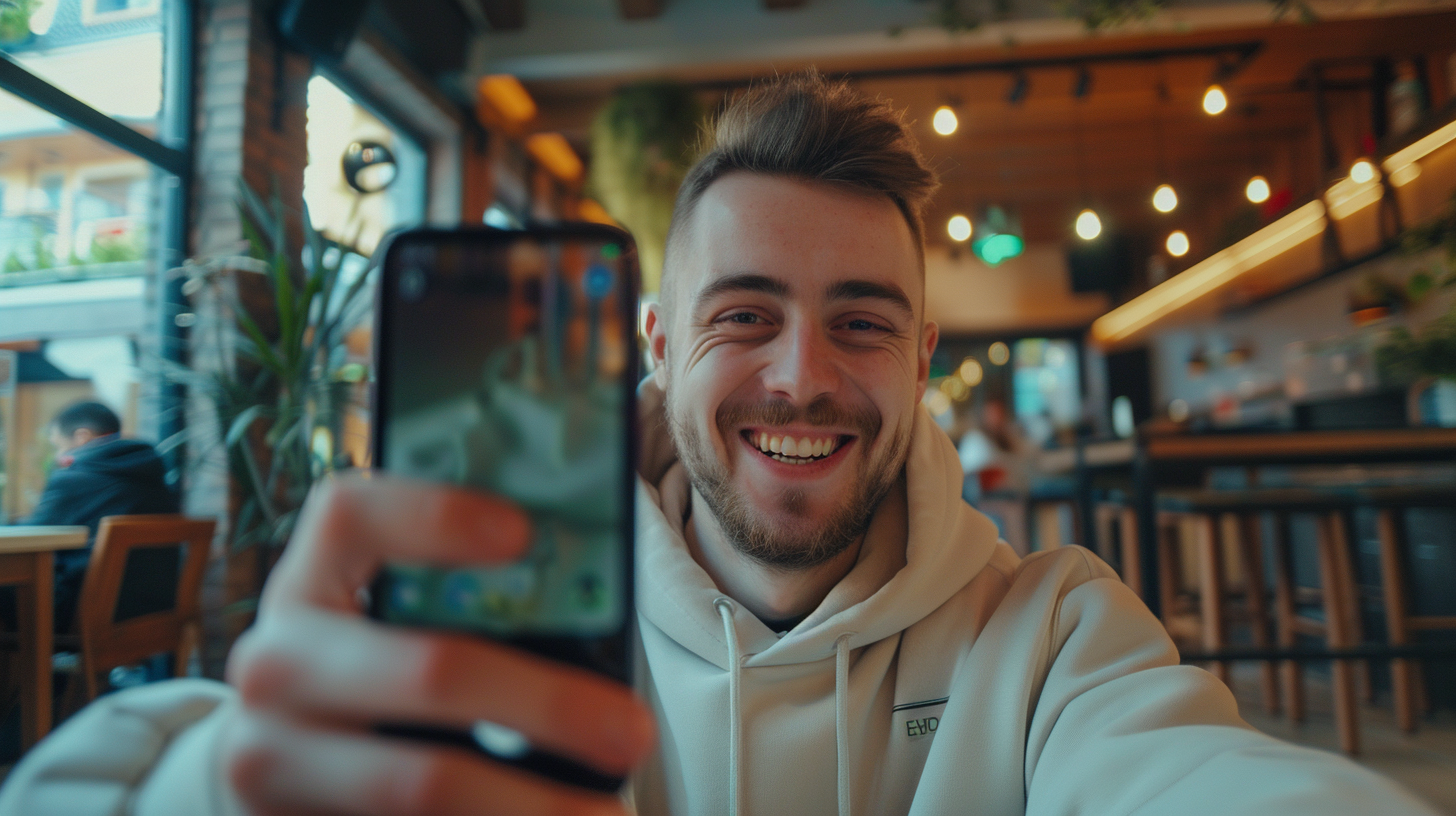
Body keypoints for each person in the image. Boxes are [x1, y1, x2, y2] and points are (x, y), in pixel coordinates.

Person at [0, 73, 1437, 816]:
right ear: (657, 346)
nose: (802, 376)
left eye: (862, 323)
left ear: (925, 360)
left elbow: (1199, 782)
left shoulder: (1054, 634)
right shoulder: (495, 624)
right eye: (746, 314)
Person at [20, 400, 179, 633]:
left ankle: (30, 669)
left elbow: (29, 536)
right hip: (152, 610)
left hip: (84, 613)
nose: (57, 456)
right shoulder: (156, 480)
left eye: (58, 446)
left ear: (82, 437)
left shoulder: (73, 480)